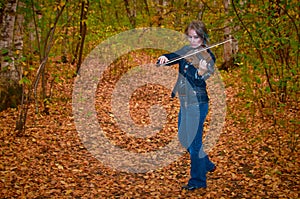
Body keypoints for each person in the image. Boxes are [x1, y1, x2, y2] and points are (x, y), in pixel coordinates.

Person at [157, 20, 216, 190]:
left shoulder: (208, 56)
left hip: (197, 103)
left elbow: (201, 79)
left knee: (194, 142)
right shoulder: (186, 50)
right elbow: (173, 57)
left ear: (203, 38)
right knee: (184, 139)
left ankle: (198, 181)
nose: (192, 41)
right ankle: (205, 164)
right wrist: (163, 59)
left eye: (196, 37)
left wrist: (202, 71)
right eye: (190, 37)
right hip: (185, 102)